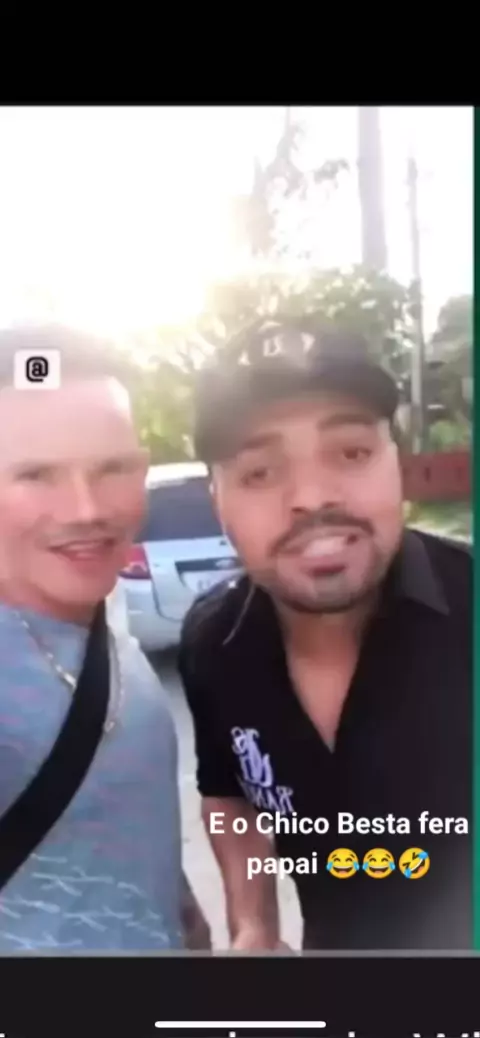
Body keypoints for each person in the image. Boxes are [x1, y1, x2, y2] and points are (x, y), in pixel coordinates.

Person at [178, 319, 472, 952]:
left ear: (398, 462)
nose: (311, 498)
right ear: (217, 499)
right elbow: (228, 796)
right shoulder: (212, 645)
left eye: (352, 453)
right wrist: (254, 927)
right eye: (260, 472)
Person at [0, 324, 210, 952]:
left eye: (112, 468)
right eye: (37, 474)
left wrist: (184, 915)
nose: (87, 509)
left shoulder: (102, 619)